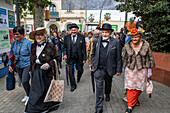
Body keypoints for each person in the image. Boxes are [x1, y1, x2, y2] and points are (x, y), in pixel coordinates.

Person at [25, 27, 60, 113]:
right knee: (35, 91)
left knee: (45, 90)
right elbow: (31, 59)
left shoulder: (51, 46)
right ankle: (32, 109)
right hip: (36, 71)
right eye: (37, 35)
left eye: (40, 35)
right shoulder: (33, 46)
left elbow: (57, 58)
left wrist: (49, 64)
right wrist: (30, 70)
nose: (38, 36)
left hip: (46, 73)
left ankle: (45, 107)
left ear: (45, 36)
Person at [91, 23, 122, 113]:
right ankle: (99, 108)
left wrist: (119, 69)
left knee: (108, 84)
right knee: (99, 88)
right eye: (103, 32)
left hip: (110, 69)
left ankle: (107, 93)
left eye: (106, 32)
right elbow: (92, 54)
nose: (104, 34)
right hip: (98, 69)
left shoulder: (116, 42)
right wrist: (92, 64)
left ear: (110, 33)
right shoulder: (96, 41)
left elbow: (118, 57)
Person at [123, 28, 155, 113]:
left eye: (136, 37)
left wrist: (149, 69)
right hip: (130, 69)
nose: (134, 39)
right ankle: (130, 106)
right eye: (132, 37)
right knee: (130, 87)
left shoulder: (146, 45)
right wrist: (123, 66)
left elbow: (150, 57)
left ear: (140, 37)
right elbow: (124, 57)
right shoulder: (127, 45)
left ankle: (135, 99)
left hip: (142, 69)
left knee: (139, 88)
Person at [8, 26, 32, 105]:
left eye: (17, 34)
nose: (16, 36)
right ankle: (28, 94)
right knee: (22, 81)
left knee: (25, 81)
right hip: (18, 65)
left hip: (27, 64)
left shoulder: (28, 43)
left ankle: (30, 96)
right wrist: (9, 65)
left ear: (22, 34)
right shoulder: (14, 42)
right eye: (15, 34)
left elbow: (32, 55)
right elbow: (11, 53)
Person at [63, 23, 87, 92]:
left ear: (77, 30)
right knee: (71, 72)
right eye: (72, 30)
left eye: (75, 30)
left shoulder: (81, 37)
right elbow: (64, 47)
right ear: (70, 30)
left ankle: (79, 77)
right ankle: (73, 85)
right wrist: (64, 54)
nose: (73, 31)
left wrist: (84, 58)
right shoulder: (66, 37)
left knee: (80, 70)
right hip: (70, 58)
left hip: (79, 57)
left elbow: (84, 49)